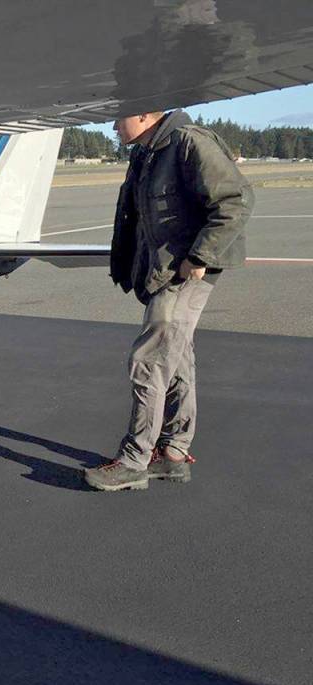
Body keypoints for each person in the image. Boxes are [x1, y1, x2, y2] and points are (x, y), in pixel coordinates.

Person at [84, 109, 254, 491]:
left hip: (186, 271)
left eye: (119, 118)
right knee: (176, 362)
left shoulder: (188, 142)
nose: (113, 126)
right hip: (164, 272)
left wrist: (199, 257)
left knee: (149, 360)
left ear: (145, 114)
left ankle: (134, 461)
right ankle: (174, 454)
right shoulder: (146, 152)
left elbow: (236, 200)